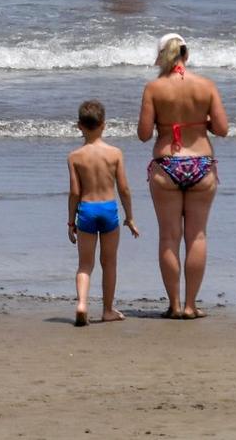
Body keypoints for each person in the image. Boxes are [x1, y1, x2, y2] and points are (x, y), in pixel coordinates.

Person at [138, 33, 227, 319]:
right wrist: (202, 125)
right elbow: (223, 129)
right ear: (186, 55)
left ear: (161, 56)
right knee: (197, 236)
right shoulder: (206, 85)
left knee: (168, 237)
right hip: (201, 164)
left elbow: (143, 134)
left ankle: (174, 305)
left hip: (166, 166)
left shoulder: (153, 88)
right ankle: (191, 305)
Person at [67, 98, 138, 326]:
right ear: (104, 124)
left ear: (79, 125)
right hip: (108, 209)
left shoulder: (75, 156)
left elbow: (74, 192)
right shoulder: (115, 153)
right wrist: (130, 217)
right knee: (109, 263)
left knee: (85, 264)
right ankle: (107, 310)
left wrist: (71, 222)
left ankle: (82, 304)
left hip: (86, 209)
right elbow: (124, 188)